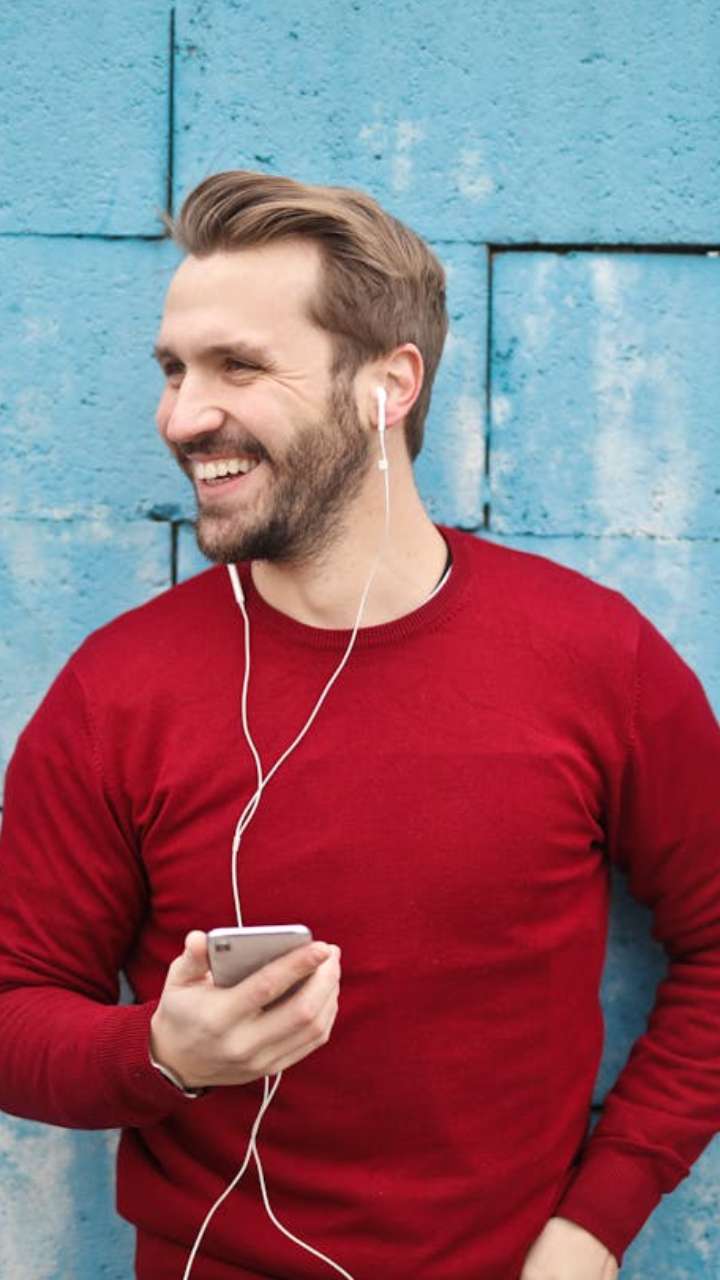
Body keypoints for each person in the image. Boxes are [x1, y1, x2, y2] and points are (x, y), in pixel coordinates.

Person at [0, 171, 718, 1280]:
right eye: (175, 370)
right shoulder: (117, 691)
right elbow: (16, 1006)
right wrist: (159, 1052)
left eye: (238, 366)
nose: (183, 416)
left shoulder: (594, 657)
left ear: (389, 384)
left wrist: (596, 1226)